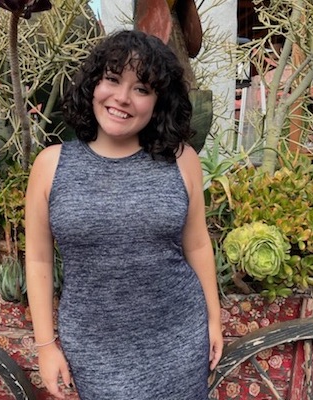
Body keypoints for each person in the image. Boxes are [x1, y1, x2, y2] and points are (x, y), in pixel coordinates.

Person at [25, 29, 223, 400]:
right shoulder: (51, 166)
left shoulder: (182, 160)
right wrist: (45, 345)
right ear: (93, 85)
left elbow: (197, 245)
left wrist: (214, 319)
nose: (122, 98)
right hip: (94, 346)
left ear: (157, 102)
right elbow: (38, 259)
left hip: (178, 338)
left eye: (142, 89)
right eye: (113, 80)